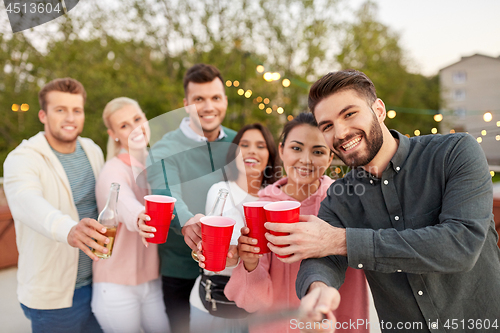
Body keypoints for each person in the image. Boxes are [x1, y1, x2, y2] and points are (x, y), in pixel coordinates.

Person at [271, 70, 500, 333]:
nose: (341, 132)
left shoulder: (454, 152)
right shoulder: (341, 195)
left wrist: (341, 240)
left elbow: (460, 244)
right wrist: (317, 290)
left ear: (378, 110)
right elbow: (322, 259)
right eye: (327, 126)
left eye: (349, 114)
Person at [224, 113, 369, 333]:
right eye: (296, 148)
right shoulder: (260, 208)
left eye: (318, 151)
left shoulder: (346, 203)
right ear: (282, 151)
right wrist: (250, 263)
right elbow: (253, 303)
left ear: (330, 158)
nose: (306, 159)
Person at [3, 78, 105, 333]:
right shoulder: (22, 158)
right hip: (55, 296)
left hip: (100, 283)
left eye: (76, 110)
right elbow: (27, 202)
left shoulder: (92, 150)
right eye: (60, 110)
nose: (70, 117)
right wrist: (68, 228)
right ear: (43, 115)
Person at [147, 64, 237, 333]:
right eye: (199, 99)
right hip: (182, 269)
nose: (208, 106)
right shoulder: (165, 148)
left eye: (215, 98)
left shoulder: (238, 142)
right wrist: (187, 220)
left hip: (230, 266)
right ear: (186, 104)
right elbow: (165, 191)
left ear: (225, 101)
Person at [91, 97, 170, 333]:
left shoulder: (158, 164)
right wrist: (140, 217)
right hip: (115, 286)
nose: (135, 128)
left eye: (137, 119)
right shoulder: (112, 170)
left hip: (151, 282)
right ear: (113, 133)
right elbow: (122, 201)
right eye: (124, 125)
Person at [191, 123, 280, 332]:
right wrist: (236, 256)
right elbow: (217, 253)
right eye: (244, 145)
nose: (251, 151)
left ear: (270, 155)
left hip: (259, 309)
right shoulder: (220, 191)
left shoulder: (276, 199)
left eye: (260, 146)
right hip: (215, 305)